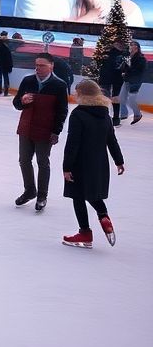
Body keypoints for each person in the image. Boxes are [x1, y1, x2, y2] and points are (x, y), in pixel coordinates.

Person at [61, 81, 125, 249]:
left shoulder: (78, 114)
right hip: (99, 163)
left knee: (78, 196)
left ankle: (85, 233)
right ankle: (103, 216)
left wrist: (66, 167)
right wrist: (119, 161)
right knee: (93, 194)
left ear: (82, 94)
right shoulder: (105, 114)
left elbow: (72, 144)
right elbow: (111, 140)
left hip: (80, 163)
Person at [11, 53, 69, 212]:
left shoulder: (59, 85)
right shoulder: (27, 81)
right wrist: (22, 102)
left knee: (43, 162)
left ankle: (42, 195)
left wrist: (56, 131)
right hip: (26, 127)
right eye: (36, 65)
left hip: (45, 129)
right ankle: (30, 190)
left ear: (51, 66)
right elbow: (16, 103)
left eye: (42, 65)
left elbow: (62, 110)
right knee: (24, 160)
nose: (38, 68)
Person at [97, 38, 129, 126]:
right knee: (107, 97)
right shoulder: (108, 53)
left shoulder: (124, 54)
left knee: (114, 97)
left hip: (114, 78)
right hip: (108, 77)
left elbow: (127, 67)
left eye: (119, 44)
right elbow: (101, 63)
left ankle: (114, 117)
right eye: (116, 44)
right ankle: (107, 115)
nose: (118, 45)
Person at [119, 41, 146, 125]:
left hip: (135, 81)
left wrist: (128, 70)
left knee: (131, 100)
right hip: (127, 80)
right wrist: (124, 69)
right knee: (121, 98)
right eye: (130, 45)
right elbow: (124, 68)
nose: (131, 46)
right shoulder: (128, 57)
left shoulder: (141, 58)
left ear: (137, 47)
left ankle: (137, 114)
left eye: (133, 45)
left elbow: (139, 70)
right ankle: (124, 114)